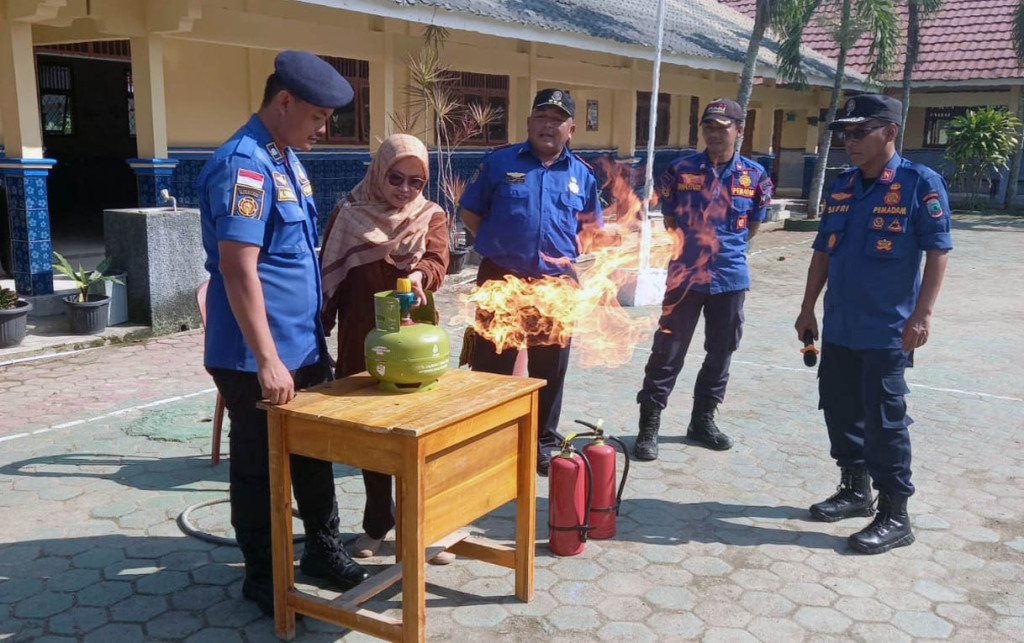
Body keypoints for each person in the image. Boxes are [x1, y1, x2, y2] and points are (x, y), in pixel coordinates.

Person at [198, 50, 369, 617]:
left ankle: (322, 553)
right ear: (284, 101)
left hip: (300, 344)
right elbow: (237, 268)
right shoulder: (244, 165)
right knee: (259, 466)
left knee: (313, 455)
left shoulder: (288, 158)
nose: (325, 128)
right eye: (318, 117)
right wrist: (268, 360)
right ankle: (264, 575)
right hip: (255, 358)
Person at [795, 94, 952, 554]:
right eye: (845, 132)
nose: (850, 141)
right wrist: (808, 309)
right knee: (840, 408)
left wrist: (923, 315)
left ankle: (895, 514)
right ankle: (855, 489)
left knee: (885, 420)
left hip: (888, 329)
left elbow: (938, 250)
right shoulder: (842, 185)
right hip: (840, 325)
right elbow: (823, 251)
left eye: (859, 131)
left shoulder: (919, 182)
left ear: (890, 132)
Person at [319, 133, 453, 564]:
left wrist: (420, 277)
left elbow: (437, 259)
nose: (405, 190)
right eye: (396, 177)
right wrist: (315, 332)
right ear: (378, 172)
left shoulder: (430, 215)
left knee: (420, 437)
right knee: (374, 439)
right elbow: (329, 278)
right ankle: (378, 523)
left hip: (413, 342)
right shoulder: (347, 213)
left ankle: (429, 526)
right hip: (362, 343)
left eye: (416, 181)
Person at [459, 88, 602, 476]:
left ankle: (540, 440)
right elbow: (470, 212)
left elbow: (590, 230)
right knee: (490, 365)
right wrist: (499, 244)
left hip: (554, 286)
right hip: (501, 279)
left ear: (571, 129)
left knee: (549, 369)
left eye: (557, 119)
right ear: (528, 123)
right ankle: (487, 438)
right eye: (542, 117)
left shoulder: (582, 176)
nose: (548, 125)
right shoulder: (499, 162)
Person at [633, 98, 772, 461]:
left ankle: (702, 420)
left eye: (722, 126)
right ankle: (649, 426)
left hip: (730, 278)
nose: (713, 132)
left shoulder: (755, 176)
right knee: (667, 351)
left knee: (721, 351)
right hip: (684, 277)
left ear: (739, 130)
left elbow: (753, 225)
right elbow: (671, 222)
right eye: (708, 126)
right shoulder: (679, 170)